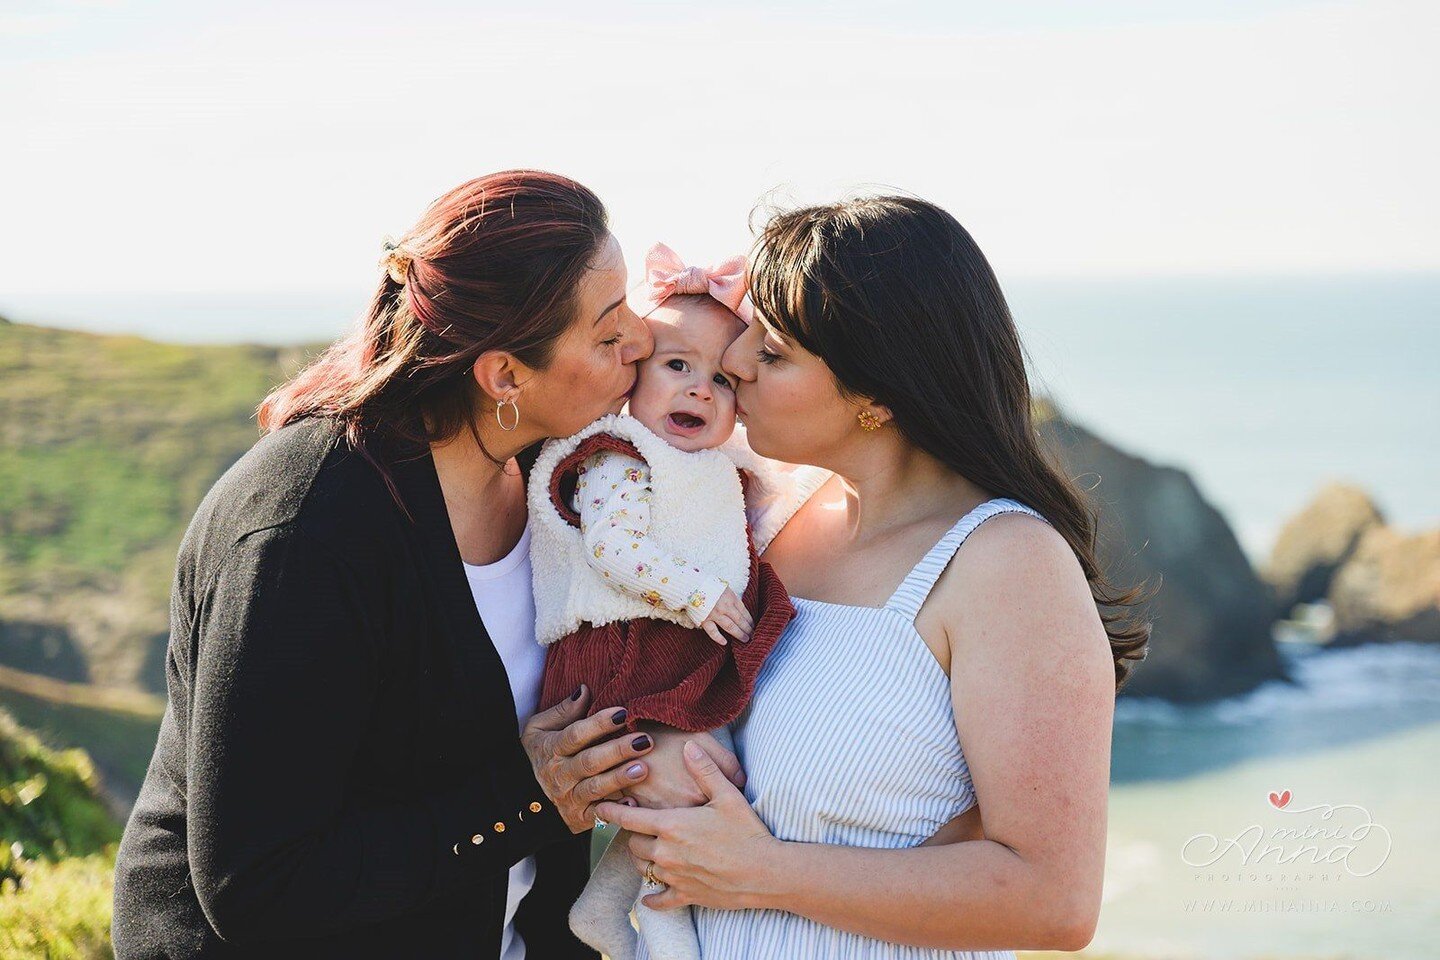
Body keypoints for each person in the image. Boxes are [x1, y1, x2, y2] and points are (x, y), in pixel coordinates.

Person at [110, 170, 744, 959]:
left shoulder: (554, 465)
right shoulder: (302, 538)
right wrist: (529, 798)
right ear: (505, 376)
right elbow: (257, 884)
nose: (642, 343)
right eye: (609, 331)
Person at [596, 195, 1151, 958]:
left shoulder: (1005, 565)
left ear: (877, 397)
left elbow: (1053, 901)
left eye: (774, 351)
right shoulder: (761, 517)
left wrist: (764, 873)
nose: (733, 360)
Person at [526, 243, 823, 960]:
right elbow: (611, 547)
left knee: (698, 787)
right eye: (677, 366)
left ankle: (610, 907)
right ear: (634, 374)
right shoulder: (617, 457)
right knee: (697, 789)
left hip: (665, 657)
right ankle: (660, 932)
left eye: (723, 380)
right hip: (623, 655)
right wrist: (700, 596)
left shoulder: (709, 467)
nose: (698, 391)